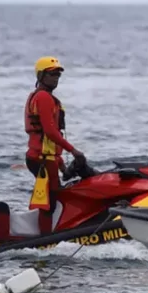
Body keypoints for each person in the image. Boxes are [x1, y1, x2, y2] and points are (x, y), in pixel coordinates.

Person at [24, 56, 95, 233]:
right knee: (49, 202)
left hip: (46, 158)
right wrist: (74, 151)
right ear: (41, 75)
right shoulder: (43, 98)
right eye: (51, 74)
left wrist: (63, 167)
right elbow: (50, 132)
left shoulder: (42, 97)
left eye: (58, 75)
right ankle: (45, 239)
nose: (55, 78)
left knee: (52, 197)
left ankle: (50, 230)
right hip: (42, 159)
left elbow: (49, 142)